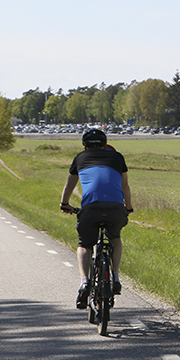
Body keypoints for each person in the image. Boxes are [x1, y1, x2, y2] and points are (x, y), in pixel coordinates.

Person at [60, 128, 133, 309]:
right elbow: (124, 186)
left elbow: (70, 185)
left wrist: (64, 204)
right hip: (115, 209)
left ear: (85, 146)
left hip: (90, 209)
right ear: (104, 144)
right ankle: (115, 276)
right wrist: (128, 208)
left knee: (85, 245)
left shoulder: (79, 158)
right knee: (115, 238)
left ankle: (85, 282)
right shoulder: (118, 158)